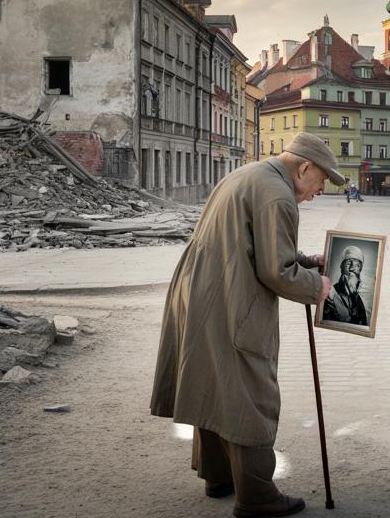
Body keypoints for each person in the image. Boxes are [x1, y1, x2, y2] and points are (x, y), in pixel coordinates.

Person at [151, 132, 340, 518]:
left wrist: (305, 261)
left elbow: (254, 243)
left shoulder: (251, 174)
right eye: (321, 182)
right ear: (304, 167)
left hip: (201, 292)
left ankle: (218, 476)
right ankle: (257, 495)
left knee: (213, 384)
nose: (319, 191)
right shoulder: (279, 195)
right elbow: (276, 270)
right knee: (251, 392)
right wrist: (314, 285)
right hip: (232, 300)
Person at [322, 245, 369, 325]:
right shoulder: (331, 294)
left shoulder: (360, 300)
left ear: (360, 270)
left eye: (357, 265)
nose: (352, 268)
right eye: (348, 263)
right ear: (341, 267)